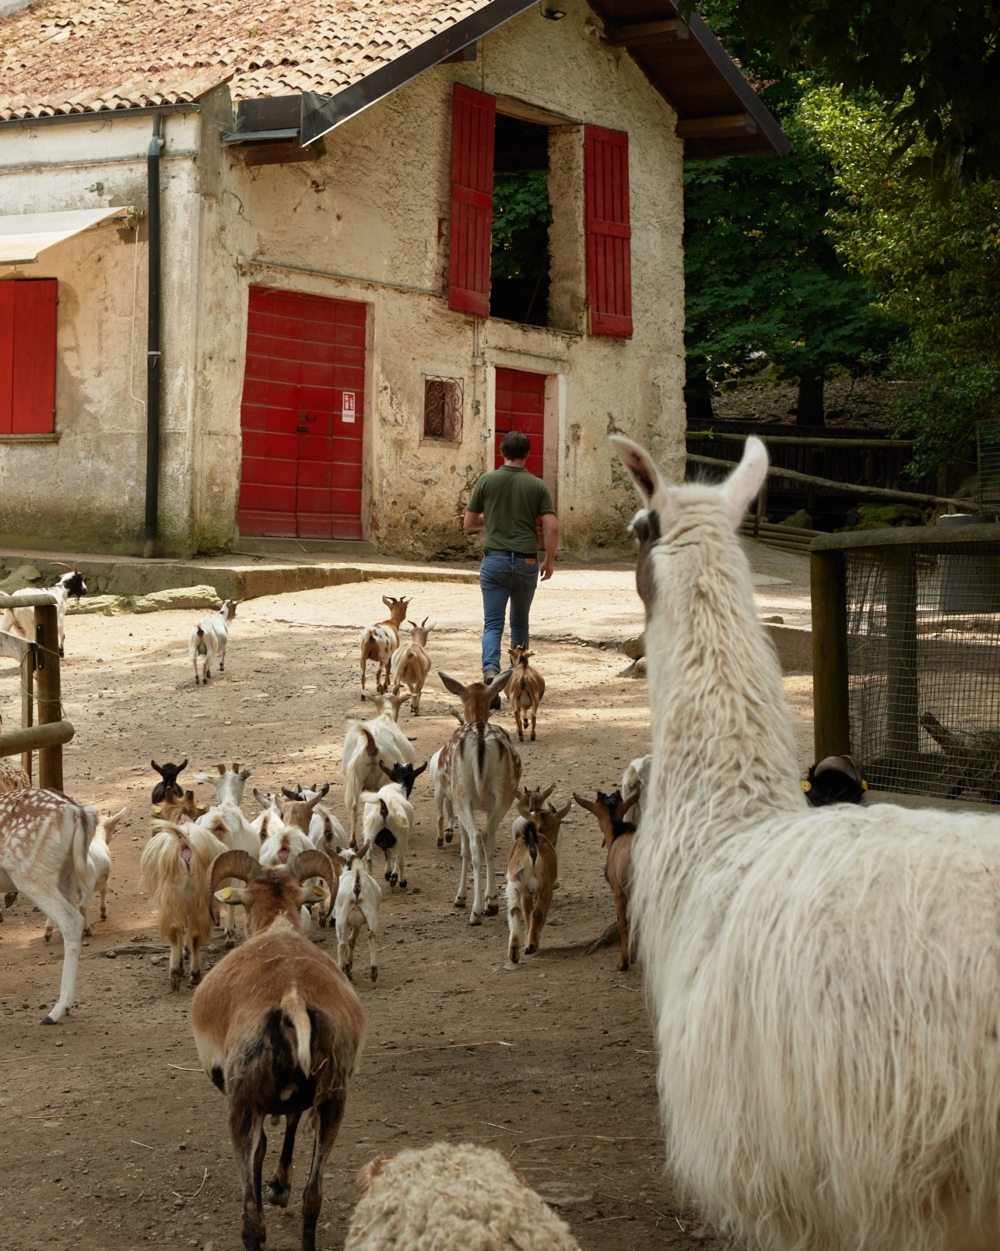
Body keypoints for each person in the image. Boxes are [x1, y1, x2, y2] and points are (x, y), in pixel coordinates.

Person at [463, 430, 559, 699]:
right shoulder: (537, 485)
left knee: (493, 624)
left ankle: (491, 672)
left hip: (494, 561)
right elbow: (552, 527)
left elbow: (469, 522)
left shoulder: (486, 481)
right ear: (528, 454)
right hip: (527, 562)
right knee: (519, 624)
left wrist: (492, 521)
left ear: (501, 452)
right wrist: (549, 561)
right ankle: (518, 676)